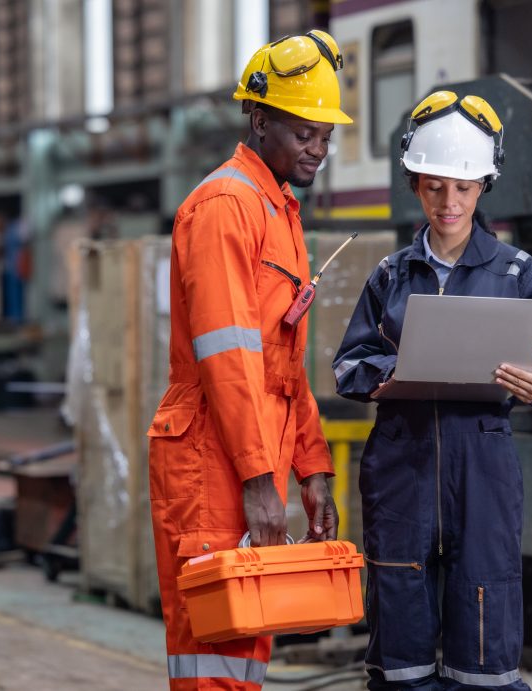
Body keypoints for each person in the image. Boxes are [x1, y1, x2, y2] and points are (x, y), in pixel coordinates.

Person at [332, 91, 532, 691]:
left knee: (484, 629)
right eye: (436, 186)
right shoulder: (390, 275)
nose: (450, 202)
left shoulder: (517, 272)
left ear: (483, 188)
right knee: (401, 639)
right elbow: (348, 366)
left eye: (463, 188)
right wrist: (386, 375)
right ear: (416, 184)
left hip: (482, 467)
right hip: (402, 464)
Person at [147, 30, 353, 690]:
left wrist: (312, 468)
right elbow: (228, 358)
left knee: (242, 655)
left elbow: (283, 366)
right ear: (259, 118)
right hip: (214, 460)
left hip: (245, 456)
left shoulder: (278, 207)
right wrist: (261, 478)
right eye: (303, 132)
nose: (317, 148)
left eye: (325, 133)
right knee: (213, 658)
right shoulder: (227, 206)